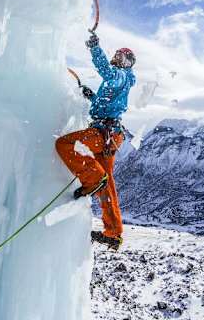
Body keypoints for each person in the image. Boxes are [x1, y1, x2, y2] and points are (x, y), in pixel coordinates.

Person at [55, 32, 136, 250]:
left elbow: (109, 74)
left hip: (104, 133)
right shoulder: (121, 82)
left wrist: (94, 48)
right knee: (108, 183)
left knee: (64, 144)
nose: (120, 58)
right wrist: (92, 97)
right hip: (110, 134)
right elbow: (106, 103)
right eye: (119, 55)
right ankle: (114, 233)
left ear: (129, 64)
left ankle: (92, 178)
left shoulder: (120, 75)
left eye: (125, 57)